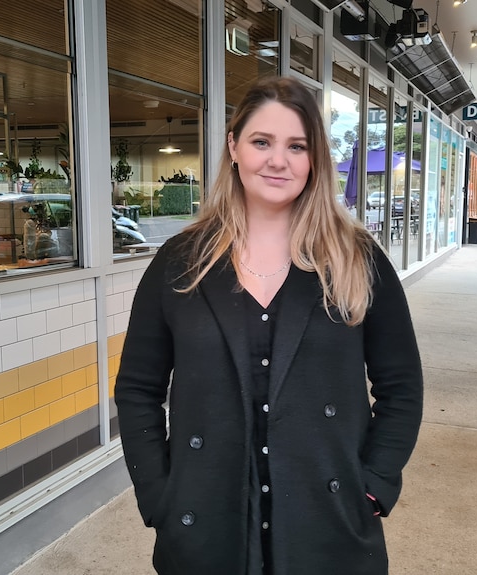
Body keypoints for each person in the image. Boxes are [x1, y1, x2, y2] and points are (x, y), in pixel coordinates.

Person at [115, 76, 423, 575]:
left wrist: (373, 484)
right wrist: (159, 494)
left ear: (314, 159)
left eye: (296, 146)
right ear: (234, 147)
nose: (278, 160)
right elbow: (136, 389)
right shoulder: (180, 262)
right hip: (205, 526)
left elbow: (402, 386)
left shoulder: (356, 260)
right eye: (262, 142)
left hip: (329, 523)